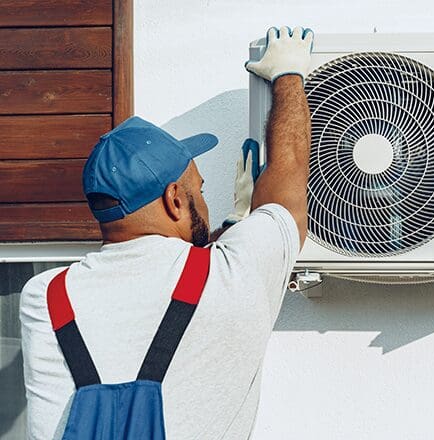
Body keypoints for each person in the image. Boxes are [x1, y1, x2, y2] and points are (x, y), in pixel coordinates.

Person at [19, 26, 313, 439]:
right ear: (175, 199)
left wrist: (232, 229)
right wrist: (289, 75)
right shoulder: (235, 274)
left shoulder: (44, 297)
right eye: (199, 188)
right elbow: (288, 180)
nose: (204, 201)